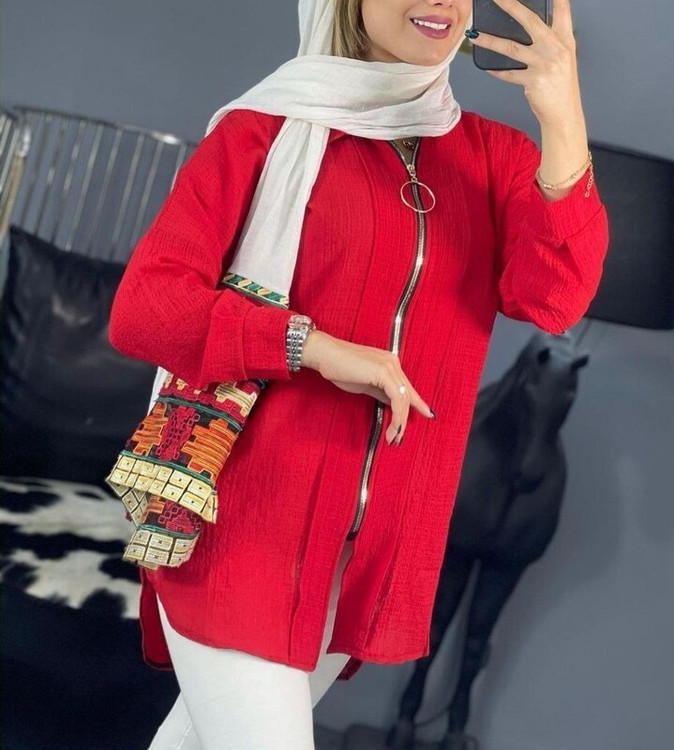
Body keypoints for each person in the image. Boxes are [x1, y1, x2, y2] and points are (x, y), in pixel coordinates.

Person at [108, 0, 609, 747]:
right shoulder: (261, 132)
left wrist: (564, 121)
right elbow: (145, 309)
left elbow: (553, 297)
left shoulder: (494, 158)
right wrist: (310, 345)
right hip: (239, 525)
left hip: (374, 551)